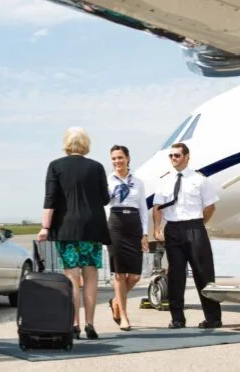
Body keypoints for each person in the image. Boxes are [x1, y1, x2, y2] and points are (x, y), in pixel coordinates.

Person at [37, 126, 110, 340]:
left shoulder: (55, 166)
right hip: (92, 228)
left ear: (66, 143)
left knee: (72, 277)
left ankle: (74, 324)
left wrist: (45, 227)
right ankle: (90, 324)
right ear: (86, 144)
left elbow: (50, 200)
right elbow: (105, 199)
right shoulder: (96, 167)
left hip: (66, 229)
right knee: (91, 276)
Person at [153, 143, 222, 329]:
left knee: (203, 273)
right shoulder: (164, 181)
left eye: (177, 155)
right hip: (173, 229)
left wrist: (199, 224)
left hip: (195, 227)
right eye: (171, 156)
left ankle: (213, 318)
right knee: (175, 275)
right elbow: (158, 207)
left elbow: (210, 207)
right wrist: (157, 228)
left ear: (186, 157)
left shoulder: (199, 180)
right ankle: (177, 318)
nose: (173, 159)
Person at [106, 145, 149, 331]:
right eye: (114, 158)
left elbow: (143, 209)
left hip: (134, 224)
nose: (117, 161)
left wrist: (145, 233)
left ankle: (116, 300)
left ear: (128, 158)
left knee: (135, 276)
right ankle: (123, 316)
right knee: (120, 274)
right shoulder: (108, 180)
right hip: (115, 224)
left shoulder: (138, 182)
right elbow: (104, 203)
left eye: (120, 158)